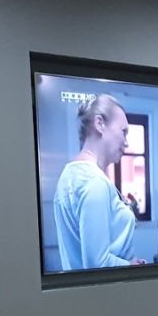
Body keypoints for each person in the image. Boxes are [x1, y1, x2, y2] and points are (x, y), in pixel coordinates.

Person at [52, 94, 139, 269]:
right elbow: (97, 263)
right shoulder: (94, 182)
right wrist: (131, 266)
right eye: (123, 132)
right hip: (109, 287)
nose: (126, 143)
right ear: (100, 124)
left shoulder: (69, 175)